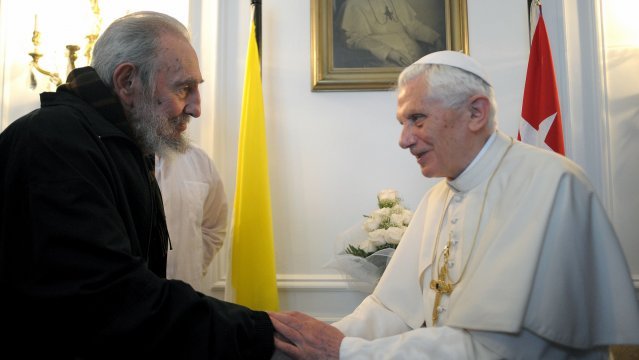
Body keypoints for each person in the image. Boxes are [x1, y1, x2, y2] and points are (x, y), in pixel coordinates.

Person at [269, 51, 639, 359]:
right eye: (403, 122)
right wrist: (310, 340)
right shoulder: (438, 199)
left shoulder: (552, 185)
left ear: (475, 113)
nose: (404, 140)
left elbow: (494, 348)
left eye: (416, 119)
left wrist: (345, 351)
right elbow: (392, 308)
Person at [0, 11, 274, 358]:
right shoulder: (56, 142)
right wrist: (262, 331)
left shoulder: (112, 144)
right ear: (128, 81)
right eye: (183, 88)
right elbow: (108, 299)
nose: (196, 108)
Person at [155, 144, 228, 294]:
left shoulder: (200, 161)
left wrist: (194, 266)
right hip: (133, 301)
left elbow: (214, 227)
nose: (189, 120)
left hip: (187, 295)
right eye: (174, 118)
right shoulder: (119, 158)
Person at [338, 0, 443, 67]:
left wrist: (433, 38)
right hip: (381, 61)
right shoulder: (353, 4)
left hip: (415, 58)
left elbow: (412, 25)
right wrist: (389, 53)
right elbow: (354, 39)